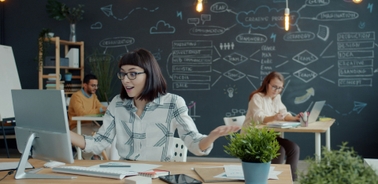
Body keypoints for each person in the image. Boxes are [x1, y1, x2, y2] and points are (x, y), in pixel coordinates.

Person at [70, 48, 240, 161]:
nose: (125, 80)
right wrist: (64, 133)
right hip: (123, 172)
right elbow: (99, 142)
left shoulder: (173, 103)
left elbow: (194, 143)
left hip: (159, 173)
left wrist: (210, 137)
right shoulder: (117, 104)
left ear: (149, 74)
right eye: (122, 74)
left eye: (132, 74)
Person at [242, 71, 300, 181]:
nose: (276, 90)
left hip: (268, 135)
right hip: (254, 136)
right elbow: (258, 118)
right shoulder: (257, 97)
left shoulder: (277, 97)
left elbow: (284, 113)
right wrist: (274, 117)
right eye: (274, 87)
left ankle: (291, 180)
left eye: (280, 88)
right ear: (267, 83)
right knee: (279, 149)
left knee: (293, 148)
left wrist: (295, 118)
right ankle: (272, 180)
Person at [68, 73, 107, 159]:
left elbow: (100, 107)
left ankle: (103, 158)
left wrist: (105, 109)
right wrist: (100, 110)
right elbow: (81, 113)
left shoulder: (93, 96)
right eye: (93, 85)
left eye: (96, 85)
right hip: (77, 127)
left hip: (90, 125)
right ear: (84, 85)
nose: (95, 88)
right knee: (92, 136)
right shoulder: (76, 97)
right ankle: (93, 158)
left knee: (106, 134)